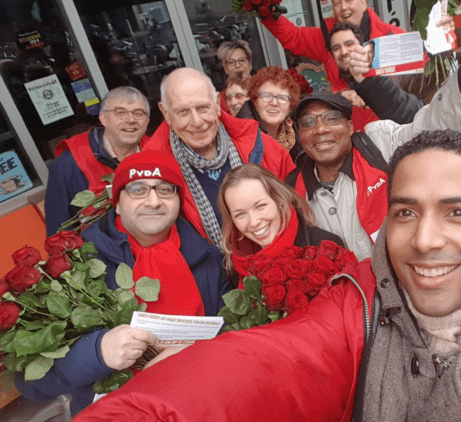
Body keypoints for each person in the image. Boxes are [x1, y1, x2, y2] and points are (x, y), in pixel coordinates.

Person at [74, 130, 461, 422]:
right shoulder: (355, 307)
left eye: (458, 213)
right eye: (405, 212)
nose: (424, 240)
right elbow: (267, 361)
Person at [286, 10, 461, 259]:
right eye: (308, 123)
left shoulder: (380, 145)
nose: (320, 129)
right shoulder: (291, 190)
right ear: (299, 134)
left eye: (332, 119)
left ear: (351, 127)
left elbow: (437, 125)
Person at [16, 151, 229, 415]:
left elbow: (236, 334)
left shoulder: (209, 257)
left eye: (165, 190)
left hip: (201, 403)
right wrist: (97, 353)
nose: (153, 201)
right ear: (116, 203)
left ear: (178, 201)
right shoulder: (75, 266)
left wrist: (196, 351)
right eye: (138, 189)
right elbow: (30, 383)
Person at [261, 0, 454, 130]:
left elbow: (431, 70)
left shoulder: (392, 36)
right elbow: (293, 37)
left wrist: (444, 36)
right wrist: (264, 10)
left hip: (390, 125)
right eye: (337, 3)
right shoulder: (326, 38)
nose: (343, 7)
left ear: (363, 3)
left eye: (348, 1)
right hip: (347, 126)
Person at [145, 67, 295, 248]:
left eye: (203, 108)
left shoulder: (259, 144)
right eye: (183, 112)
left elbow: (295, 205)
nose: (197, 122)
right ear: (166, 114)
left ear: (217, 103)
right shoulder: (152, 171)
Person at [44, 86, 150, 236]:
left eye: (139, 113)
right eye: (120, 113)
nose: (131, 120)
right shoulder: (67, 167)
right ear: (103, 118)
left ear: (147, 120)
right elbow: (59, 236)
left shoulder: (159, 152)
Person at [217, 163, 344, 287]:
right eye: (240, 214)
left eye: (260, 206)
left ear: (279, 200)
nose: (254, 222)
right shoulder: (235, 266)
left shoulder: (325, 248)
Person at [329, 21, 424, 124]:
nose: (343, 52)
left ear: (362, 45)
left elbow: (412, 113)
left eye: (349, 44)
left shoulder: (393, 75)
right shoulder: (329, 92)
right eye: (336, 48)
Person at [236, 66, 302, 160]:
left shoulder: (299, 134)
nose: (274, 103)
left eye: (282, 98)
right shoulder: (240, 137)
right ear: (255, 101)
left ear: (290, 107)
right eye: (266, 96)